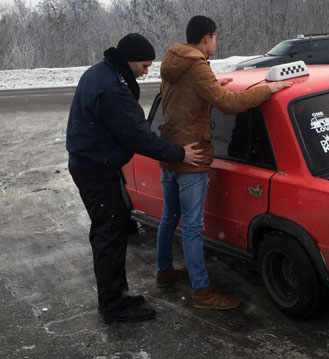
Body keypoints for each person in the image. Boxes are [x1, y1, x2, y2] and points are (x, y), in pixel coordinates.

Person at [156, 15, 291, 310]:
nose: (216, 42)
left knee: (169, 217)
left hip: (169, 152)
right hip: (191, 156)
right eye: (215, 37)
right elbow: (229, 105)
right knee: (192, 227)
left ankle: (164, 272)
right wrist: (267, 90)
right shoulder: (197, 65)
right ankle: (203, 292)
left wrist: (212, 84)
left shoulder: (172, 60)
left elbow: (181, 97)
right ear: (207, 38)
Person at [67, 33, 200, 323]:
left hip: (91, 161)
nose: (146, 71)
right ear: (128, 61)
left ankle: (116, 296)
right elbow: (139, 136)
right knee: (110, 234)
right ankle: (114, 305)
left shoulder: (99, 72)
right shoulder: (113, 88)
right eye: (143, 65)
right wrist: (178, 153)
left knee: (112, 230)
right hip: (95, 168)